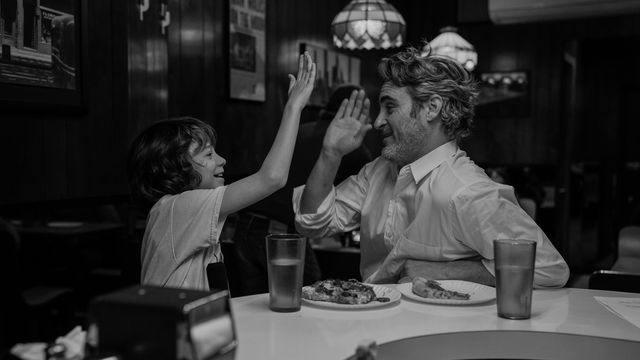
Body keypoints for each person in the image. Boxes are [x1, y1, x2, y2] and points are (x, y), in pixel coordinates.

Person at [293, 45, 569, 288]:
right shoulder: (377, 171)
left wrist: (448, 272)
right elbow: (313, 224)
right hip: (374, 322)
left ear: (432, 108)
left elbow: (548, 269)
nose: (377, 122)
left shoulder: (468, 190)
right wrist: (330, 154)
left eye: (390, 108)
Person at [127, 52, 316, 290]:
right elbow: (272, 178)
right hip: (171, 325)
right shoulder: (177, 207)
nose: (222, 160)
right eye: (208, 155)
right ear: (173, 167)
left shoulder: (175, 209)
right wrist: (293, 108)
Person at [233, 84, 373, 295]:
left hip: (244, 224)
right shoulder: (352, 148)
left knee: (255, 302)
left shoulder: (301, 130)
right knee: (309, 296)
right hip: (281, 232)